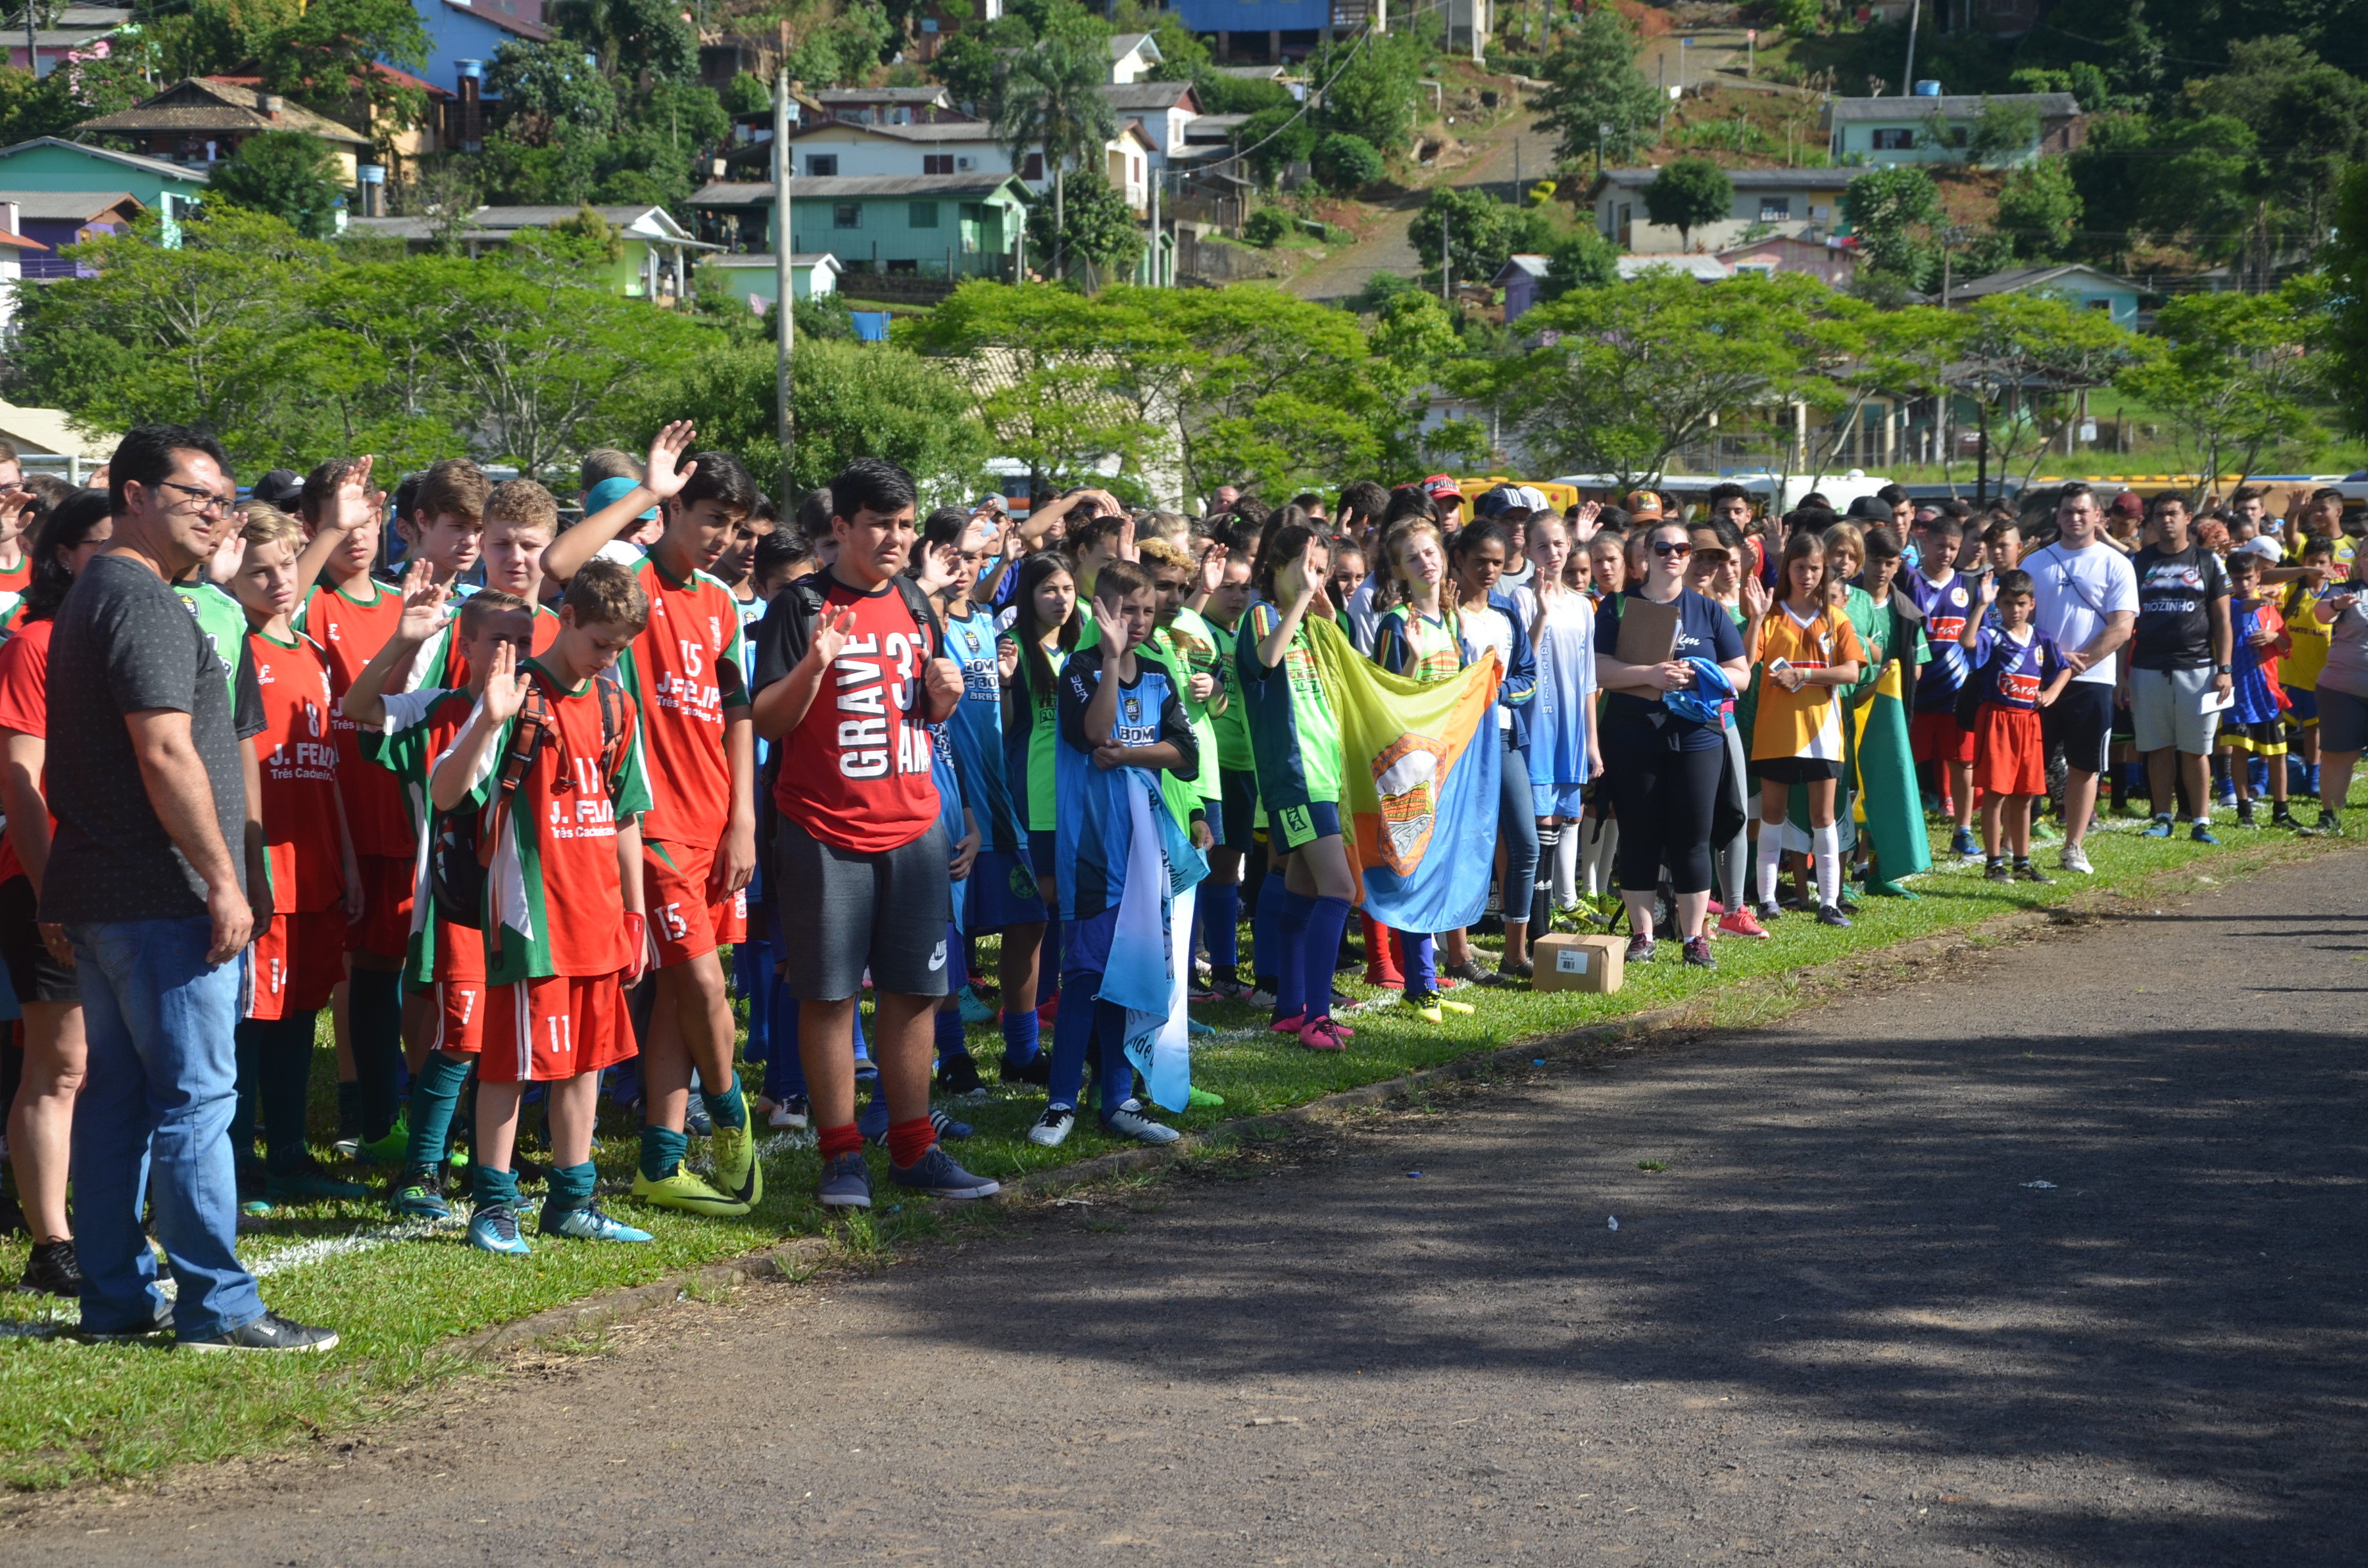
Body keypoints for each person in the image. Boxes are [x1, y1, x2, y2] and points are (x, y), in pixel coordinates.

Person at [47, 424, 334, 1351]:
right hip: (161, 896)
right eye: (197, 496)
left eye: (224, 499)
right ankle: (219, 1307)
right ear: (134, 496)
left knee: (119, 1102)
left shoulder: (104, 592)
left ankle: (117, 1304)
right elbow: (166, 750)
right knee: (195, 1102)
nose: (217, 514)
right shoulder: (141, 599)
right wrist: (224, 879)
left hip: (110, 892)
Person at [751, 459, 996, 1207]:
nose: (895, 538)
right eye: (879, 525)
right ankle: (841, 1156)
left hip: (915, 828)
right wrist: (815, 665)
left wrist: (945, 697)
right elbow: (768, 721)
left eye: (904, 525)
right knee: (829, 997)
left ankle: (915, 1147)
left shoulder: (918, 601)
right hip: (823, 830)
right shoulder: (800, 605)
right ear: (841, 528)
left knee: (916, 991)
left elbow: (926, 713)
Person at [541, 422, 762, 1220]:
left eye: (735, 526)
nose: (724, 539)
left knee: (679, 992)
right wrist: (647, 489)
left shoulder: (724, 604)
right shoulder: (628, 574)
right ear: (674, 512)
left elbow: (737, 714)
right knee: (702, 982)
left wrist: (744, 819)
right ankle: (731, 1112)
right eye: (711, 520)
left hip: (715, 821)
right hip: (651, 822)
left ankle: (660, 1162)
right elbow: (556, 566)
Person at [429, 561, 657, 1252]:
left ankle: (572, 1200)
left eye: (621, 648)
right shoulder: (518, 696)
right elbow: (445, 792)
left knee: (587, 1064)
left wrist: (636, 915)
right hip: (531, 919)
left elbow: (625, 815)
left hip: (600, 918)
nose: (609, 658)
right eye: (600, 643)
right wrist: (487, 722)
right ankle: (492, 1205)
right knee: (510, 1065)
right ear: (567, 619)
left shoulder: (615, 702)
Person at [341, 573, 530, 1221]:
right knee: (461, 1035)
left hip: (525, 904)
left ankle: (486, 1161)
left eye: (524, 640)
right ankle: (422, 1169)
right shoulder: (433, 708)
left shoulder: (541, 706)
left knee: (506, 1035)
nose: (512, 652)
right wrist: (403, 639)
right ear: (466, 645)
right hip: (455, 899)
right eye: (498, 639)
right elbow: (358, 707)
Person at [227, 503, 368, 1205]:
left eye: (287, 564)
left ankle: (288, 1154)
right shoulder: (233, 647)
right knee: (251, 1023)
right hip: (265, 873)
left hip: (317, 870)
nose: (280, 580)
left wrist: (347, 859)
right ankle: (236, 1163)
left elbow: (327, 769)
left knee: (298, 1015)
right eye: (260, 571)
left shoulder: (311, 654)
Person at [1034, 559, 1198, 1147]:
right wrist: (1108, 659)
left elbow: (1186, 753)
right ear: (1101, 611)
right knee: (1085, 972)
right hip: (1091, 849)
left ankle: (1118, 1100)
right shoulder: (1079, 669)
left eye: (1148, 611)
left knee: (1130, 971)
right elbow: (1095, 733)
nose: (1139, 621)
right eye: (1128, 610)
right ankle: (1059, 1102)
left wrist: (1131, 756)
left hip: (1144, 852)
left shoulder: (1158, 675)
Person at [0, 491, 111, 1296]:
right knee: (61, 1064)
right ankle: (53, 1244)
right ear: (64, 555)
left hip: (125, 878)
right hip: (49, 878)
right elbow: (20, 780)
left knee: (111, 1065)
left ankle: (105, 1224)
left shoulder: (129, 637)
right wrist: (51, 896)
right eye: (101, 544)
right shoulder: (34, 643)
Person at [290, 459, 412, 1165]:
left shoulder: (404, 604)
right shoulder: (307, 600)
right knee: (315, 981)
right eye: (341, 524)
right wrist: (327, 535)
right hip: (327, 824)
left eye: (367, 519)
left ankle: (379, 1117)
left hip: (395, 818)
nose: (357, 535)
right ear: (313, 527)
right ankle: (333, 1114)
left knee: (383, 973)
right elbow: (277, 609)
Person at [1593, 517, 1751, 967]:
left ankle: (1694, 937)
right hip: (1632, 733)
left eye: (1682, 549)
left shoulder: (1709, 610)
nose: (1674, 556)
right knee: (1638, 833)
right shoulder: (1618, 606)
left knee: (1693, 837)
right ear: (1645, 555)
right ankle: (1642, 936)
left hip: (1698, 737)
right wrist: (1652, 675)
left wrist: (1703, 676)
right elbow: (1599, 669)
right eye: (1663, 549)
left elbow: (1741, 675)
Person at [1237, 523, 1357, 1050]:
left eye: (1322, 571)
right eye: (1307, 568)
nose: (1316, 579)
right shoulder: (1262, 616)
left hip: (1323, 775)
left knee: (1304, 893)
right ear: (1275, 567)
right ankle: (1318, 1016)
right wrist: (1304, 600)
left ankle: (1290, 1009)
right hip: (1295, 776)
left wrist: (1327, 619)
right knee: (1341, 890)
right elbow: (1265, 660)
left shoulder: (1310, 626)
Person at [1370, 517, 1479, 1022]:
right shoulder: (1397, 623)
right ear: (1399, 571)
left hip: (1446, 764)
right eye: (1412, 557)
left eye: (1430, 552)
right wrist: (1412, 661)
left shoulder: (1452, 620)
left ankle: (1427, 981)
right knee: (1413, 871)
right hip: (1410, 770)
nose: (1425, 563)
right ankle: (1418, 986)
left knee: (1436, 869)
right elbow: (1385, 698)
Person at [1747, 532, 1865, 929]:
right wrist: (1756, 618)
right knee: (1772, 813)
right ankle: (1767, 899)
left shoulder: (1837, 619)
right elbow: (1746, 662)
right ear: (1787, 569)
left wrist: (1804, 675)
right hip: (1776, 731)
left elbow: (1851, 672)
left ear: (1824, 570)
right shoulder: (1772, 616)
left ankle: (1829, 902)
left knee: (1823, 815)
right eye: (1799, 567)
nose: (1807, 575)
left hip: (1823, 734)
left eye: (1815, 568)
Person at [2021, 483, 2139, 874]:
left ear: (2098, 516)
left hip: (2093, 680)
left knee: (2085, 766)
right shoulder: (2035, 563)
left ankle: (2073, 846)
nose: (2075, 518)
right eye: (2068, 511)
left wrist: (2074, 664)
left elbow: (2121, 628)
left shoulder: (2116, 564)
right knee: (2029, 765)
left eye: (2083, 511)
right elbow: (2017, 622)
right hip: (2038, 680)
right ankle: (2013, 849)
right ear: (2057, 515)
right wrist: (2053, 659)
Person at [1447, 520, 1541, 979]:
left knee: (1525, 843)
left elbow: (1528, 676)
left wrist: (1498, 690)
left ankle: (1515, 954)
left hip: (1504, 739)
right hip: (1457, 743)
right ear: (1459, 559)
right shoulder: (1442, 612)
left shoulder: (1506, 613)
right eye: (1480, 560)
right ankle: (1458, 954)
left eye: (1498, 563)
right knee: (1463, 845)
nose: (1489, 570)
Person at [999, 550, 1081, 1067]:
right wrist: (1006, 681)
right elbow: (1005, 727)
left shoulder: (1085, 647)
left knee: (1074, 917)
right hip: (1035, 802)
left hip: (1082, 802)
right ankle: (1022, 1046)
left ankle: (1070, 1023)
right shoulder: (1013, 648)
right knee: (1030, 922)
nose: (1060, 599)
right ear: (1028, 596)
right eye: (1049, 589)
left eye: (1067, 589)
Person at [2130, 493, 2233, 844]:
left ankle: (2201, 821)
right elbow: (2125, 620)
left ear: (2188, 517)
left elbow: (2223, 621)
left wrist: (2225, 668)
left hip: (2199, 668)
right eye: (2159, 515)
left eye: (2172, 513)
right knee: (2158, 747)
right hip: (2147, 667)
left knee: (2196, 749)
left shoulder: (2208, 560)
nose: (2166, 520)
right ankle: (2162, 817)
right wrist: (2121, 676)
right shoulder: (2138, 562)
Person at [1959, 570, 2072, 882]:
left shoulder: (2040, 639)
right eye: (2008, 603)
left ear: (2032, 604)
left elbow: (2064, 670)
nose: (2015, 610)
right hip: (1997, 720)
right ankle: (1994, 863)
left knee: (2025, 795)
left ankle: (2022, 863)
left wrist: (2051, 693)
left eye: (2021, 603)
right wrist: (1983, 604)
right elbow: (1967, 641)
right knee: (1996, 792)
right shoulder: (1994, 636)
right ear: (2000, 605)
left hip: (2029, 723)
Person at [1524, 509, 1600, 941]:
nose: (1552, 553)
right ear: (1527, 550)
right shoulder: (1519, 599)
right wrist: (1540, 611)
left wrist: (1592, 742)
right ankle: (1534, 919)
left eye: (1558, 544)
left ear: (1569, 546)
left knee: (1561, 818)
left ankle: (1553, 907)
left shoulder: (1583, 606)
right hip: (1536, 723)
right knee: (1537, 819)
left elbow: (1588, 678)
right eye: (1542, 545)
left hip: (1570, 726)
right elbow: (1520, 664)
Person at [1896, 509, 1978, 856]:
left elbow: (1980, 638)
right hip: (1915, 693)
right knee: (1906, 765)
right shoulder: (1908, 582)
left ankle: (1963, 831)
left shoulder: (1969, 586)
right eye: (1940, 545)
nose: (1946, 553)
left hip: (1956, 696)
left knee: (1962, 763)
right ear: (1925, 542)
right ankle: (1904, 832)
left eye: (1953, 548)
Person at [2219, 548, 2293, 829]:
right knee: (2240, 752)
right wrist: (2261, 599)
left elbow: (2287, 648)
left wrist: (2274, 637)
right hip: (2239, 694)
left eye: (2248, 578)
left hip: (2268, 694)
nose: (2243, 584)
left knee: (2278, 753)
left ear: (2258, 576)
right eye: (2237, 579)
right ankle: (2244, 812)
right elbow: (2245, 606)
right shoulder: (2227, 606)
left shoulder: (2271, 611)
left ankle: (2281, 812)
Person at [2300, 549, 2368, 837]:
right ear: (2359, 561)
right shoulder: (2346, 590)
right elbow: (2321, 613)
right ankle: (2330, 818)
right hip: (2343, 688)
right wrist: (2338, 605)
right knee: (2338, 755)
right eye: (2367, 554)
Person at [2277, 535, 2339, 803]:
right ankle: (2263, 780)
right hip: (2287, 674)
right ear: (2304, 562)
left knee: (2315, 730)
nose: (2317, 567)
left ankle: (2313, 781)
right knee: (2277, 729)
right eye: (2312, 562)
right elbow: (2267, 586)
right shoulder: (2293, 589)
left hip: (2320, 676)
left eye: (2322, 562)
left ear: (2331, 564)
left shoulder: (2337, 593)